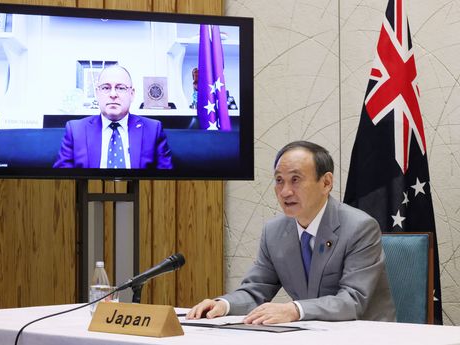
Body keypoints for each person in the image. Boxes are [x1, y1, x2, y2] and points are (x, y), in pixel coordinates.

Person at [186, 141, 396, 323]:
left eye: (295, 180)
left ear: (326, 183)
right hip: (308, 333)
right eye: (279, 181)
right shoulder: (274, 232)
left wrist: (294, 309)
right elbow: (256, 289)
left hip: (364, 334)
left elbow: (353, 301)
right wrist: (223, 305)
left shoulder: (360, 227)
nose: (285, 191)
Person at [53, 65, 172, 169]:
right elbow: (63, 182)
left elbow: (166, 182)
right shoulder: (75, 130)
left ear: (132, 94)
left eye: (121, 88)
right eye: (106, 88)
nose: (113, 94)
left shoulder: (153, 129)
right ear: (97, 93)